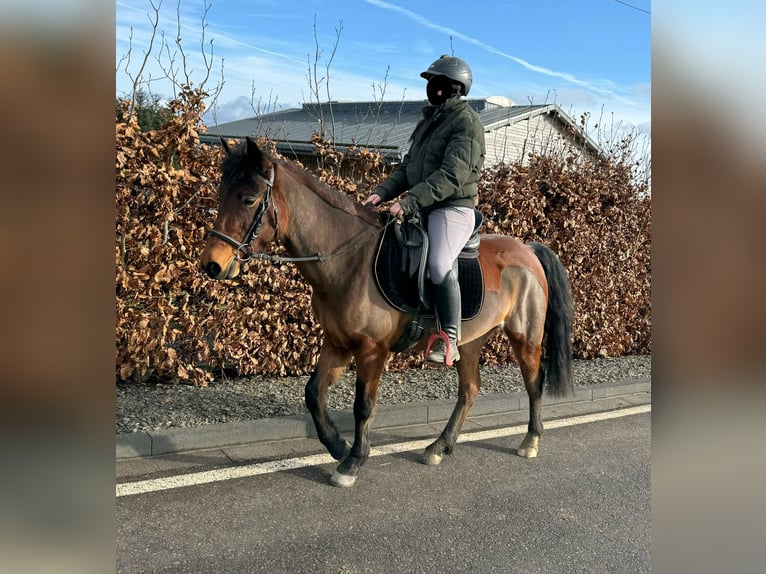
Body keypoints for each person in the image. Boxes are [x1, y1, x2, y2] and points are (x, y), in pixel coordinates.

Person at [364, 55, 486, 365]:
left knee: (438, 263)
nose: (432, 88)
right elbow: (407, 169)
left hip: (452, 207)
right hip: (423, 206)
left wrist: (407, 202)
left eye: (438, 83)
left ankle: (449, 338)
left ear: (455, 87)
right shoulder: (429, 122)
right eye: (430, 83)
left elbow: (452, 176)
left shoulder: (466, 123)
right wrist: (380, 193)